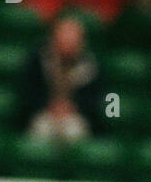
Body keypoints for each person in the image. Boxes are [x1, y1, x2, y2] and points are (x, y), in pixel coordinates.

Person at [20, 15, 105, 143]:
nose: (68, 45)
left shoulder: (91, 66)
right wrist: (49, 106)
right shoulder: (37, 61)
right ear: (54, 40)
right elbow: (27, 93)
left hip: (76, 117)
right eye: (64, 39)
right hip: (44, 113)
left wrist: (74, 108)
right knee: (41, 131)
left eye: (73, 41)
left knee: (74, 132)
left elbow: (97, 100)